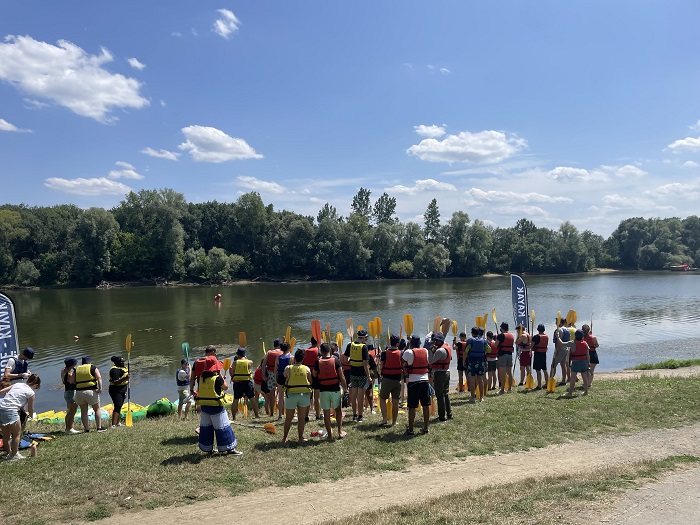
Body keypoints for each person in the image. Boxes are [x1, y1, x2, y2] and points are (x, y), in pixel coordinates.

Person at [195, 355, 241, 455]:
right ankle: (229, 448)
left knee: (206, 428)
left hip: (205, 407)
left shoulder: (201, 378)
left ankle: (208, 449)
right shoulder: (217, 378)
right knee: (223, 427)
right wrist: (222, 379)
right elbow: (225, 387)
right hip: (216, 407)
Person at [0, 373, 41, 460]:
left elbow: (2, 392)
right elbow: (31, 409)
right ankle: (14, 455)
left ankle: (9, 454)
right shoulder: (31, 393)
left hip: (1, 408)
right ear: (36, 385)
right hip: (11, 411)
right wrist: (30, 415)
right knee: (17, 434)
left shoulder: (18, 384)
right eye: (37, 387)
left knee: (6, 435)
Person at [313, 342, 347, 440]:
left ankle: (330, 435)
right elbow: (342, 376)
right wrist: (345, 389)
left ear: (321, 352)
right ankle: (340, 432)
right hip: (335, 389)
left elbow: (314, 374)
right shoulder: (336, 361)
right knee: (338, 411)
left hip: (323, 390)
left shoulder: (318, 362)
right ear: (329, 351)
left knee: (326, 413)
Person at [402, 335, 431, 435]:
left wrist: (407, 345)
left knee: (412, 407)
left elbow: (402, 360)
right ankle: (426, 428)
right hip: (425, 381)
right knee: (426, 405)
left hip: (413, 382)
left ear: (411, 343)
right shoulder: (425, 351)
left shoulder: (408, 352)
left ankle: (410, 430)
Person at [282, 349, 312, 444]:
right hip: (303, 395)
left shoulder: (288, 368)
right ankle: (300, 438)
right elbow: (311, 381)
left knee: (288, 418)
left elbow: (284, 376)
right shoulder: (306, 369)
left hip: (291, 395)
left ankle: (284, 438)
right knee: (301, 418)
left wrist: (291, 364)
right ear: (303, 359)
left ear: (294, 358)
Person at [343, 329, 371, 422]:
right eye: (366, 338)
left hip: (353, 373)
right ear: (363, 338)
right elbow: (365, 364)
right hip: (362, 374)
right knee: (361, 395)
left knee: (354, 394)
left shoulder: (350, 345)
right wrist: (369, 376)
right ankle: (360, 416)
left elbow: (345, 358)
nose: (366, 339)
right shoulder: (364, 347)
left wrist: (351, 362)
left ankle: (354, 415)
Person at [74, 355, 105, 432]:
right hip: (90, 391)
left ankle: (86, 429)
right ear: (89, 361)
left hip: (79, 392)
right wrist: (100, 388)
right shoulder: (93, 367)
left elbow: (72, 381)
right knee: (97, 409)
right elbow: (99, 378)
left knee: (83, 411)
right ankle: (99, 428)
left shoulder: (77, 369)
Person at [379, 334, 403, 426]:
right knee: (395, 401)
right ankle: (394, 422)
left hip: (387, 379)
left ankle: (385, 419)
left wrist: (381, 373)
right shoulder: (401, 353)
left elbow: (381, 364)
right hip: (397, 380)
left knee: (382, 398)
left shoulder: (384, 353)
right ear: (397, 344)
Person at [429, 332, 452, 421]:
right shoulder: (447, 346)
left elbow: (430, 361)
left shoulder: (440, 350)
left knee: (439, 395)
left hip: (440, 374)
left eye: (436, 340)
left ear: (440, 341)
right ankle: (449, 413)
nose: (434, 342)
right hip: (447, 372)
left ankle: (442, 416)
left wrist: (431, 351)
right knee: (445, 394)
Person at [230, 348, 259, 420]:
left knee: (235, 400)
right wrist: (246, 358)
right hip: (247, 383)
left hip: (237, 383)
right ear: (244, 355)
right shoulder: (249, 362)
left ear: (238, 355)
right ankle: (256, 415)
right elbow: (249, 365)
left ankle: (234, 417)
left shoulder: (234, 363)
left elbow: (233, 371)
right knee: (252, 399)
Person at [560, 330, 591, 396]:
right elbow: (588, 355)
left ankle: (570, 392)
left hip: (575, 362)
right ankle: (586, 392)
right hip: (583, 362)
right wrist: (588, 363)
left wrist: (558, 337)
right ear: (582, 336)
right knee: (584, 377)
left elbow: (562, 343)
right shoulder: (585, 343)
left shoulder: (572, 343)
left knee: (573, 377)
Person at [464, 327, 487, 403]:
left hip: (472, 362)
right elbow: (489, 349)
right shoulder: (483, 340)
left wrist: (464, 361)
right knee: (480, 380)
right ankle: (481, 397)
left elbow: (466, 351)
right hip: (481, 362)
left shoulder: (470, 340)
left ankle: (472, 398)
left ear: (472, 333)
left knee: (472, 380)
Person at [302, 337, 321, 420]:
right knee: (317, 397)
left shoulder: (305, 351)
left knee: (307, 397)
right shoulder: (318, 351)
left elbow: (302, 362)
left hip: (307, 374)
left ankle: (306, 416)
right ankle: (318, 415)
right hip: (316, 375)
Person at [108, 355, 129, 428]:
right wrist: (125, 378)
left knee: (120, 406)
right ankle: (113, 425)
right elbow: (115, 382)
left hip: (123, 389)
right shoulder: (114, 370)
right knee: (117, 406)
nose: (123, 362)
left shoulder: (122, 368)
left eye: (124, 361)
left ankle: (118, 422)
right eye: (122, 361)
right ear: (117, 362)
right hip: (115, 390)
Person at [61, 357, 80, 434]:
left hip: (67, 392)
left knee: (69, 411)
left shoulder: (63, 370)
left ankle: (67, 428)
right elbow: (74, 382)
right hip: (71, 393)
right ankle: (70, 428)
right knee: (72, 412)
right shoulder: (69, 374)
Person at [274, 342, 292, 420]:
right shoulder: (291, 357)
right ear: (288, 349)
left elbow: (275, 369)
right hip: (288, 378)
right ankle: (289, 413)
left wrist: (276, 378)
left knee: (281, 397)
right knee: (289, 396)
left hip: (280, 377)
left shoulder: (278, 358)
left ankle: (280, 415)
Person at [496, 323, 515, 395]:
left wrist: (497, 338)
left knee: (502, 373)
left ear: (502, 328)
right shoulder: (511, 335)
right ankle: (510, 388)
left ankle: (502, 390)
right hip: (509, 355)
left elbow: (495, 345)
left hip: (502, 355)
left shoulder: (501, 336)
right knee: (509, 373)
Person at [551, 318, 571, 386]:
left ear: (560, 322)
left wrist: (556, 351)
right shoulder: (567, 329)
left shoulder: (558, 330)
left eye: (556, 322)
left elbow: (557, 341)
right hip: (566, 349)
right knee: (563, 365)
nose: (555, 323)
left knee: (553, 365)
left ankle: (551, 380)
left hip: (559, 350)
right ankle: (563, 381)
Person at [531, 324, 549, 390]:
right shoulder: (546, 336)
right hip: (543, 354)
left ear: (538, 329)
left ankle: (539, 385)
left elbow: (531, 346)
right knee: (544, 369)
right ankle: (547, 383)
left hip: (537, 354)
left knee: (538, 370)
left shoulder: (535, 337)